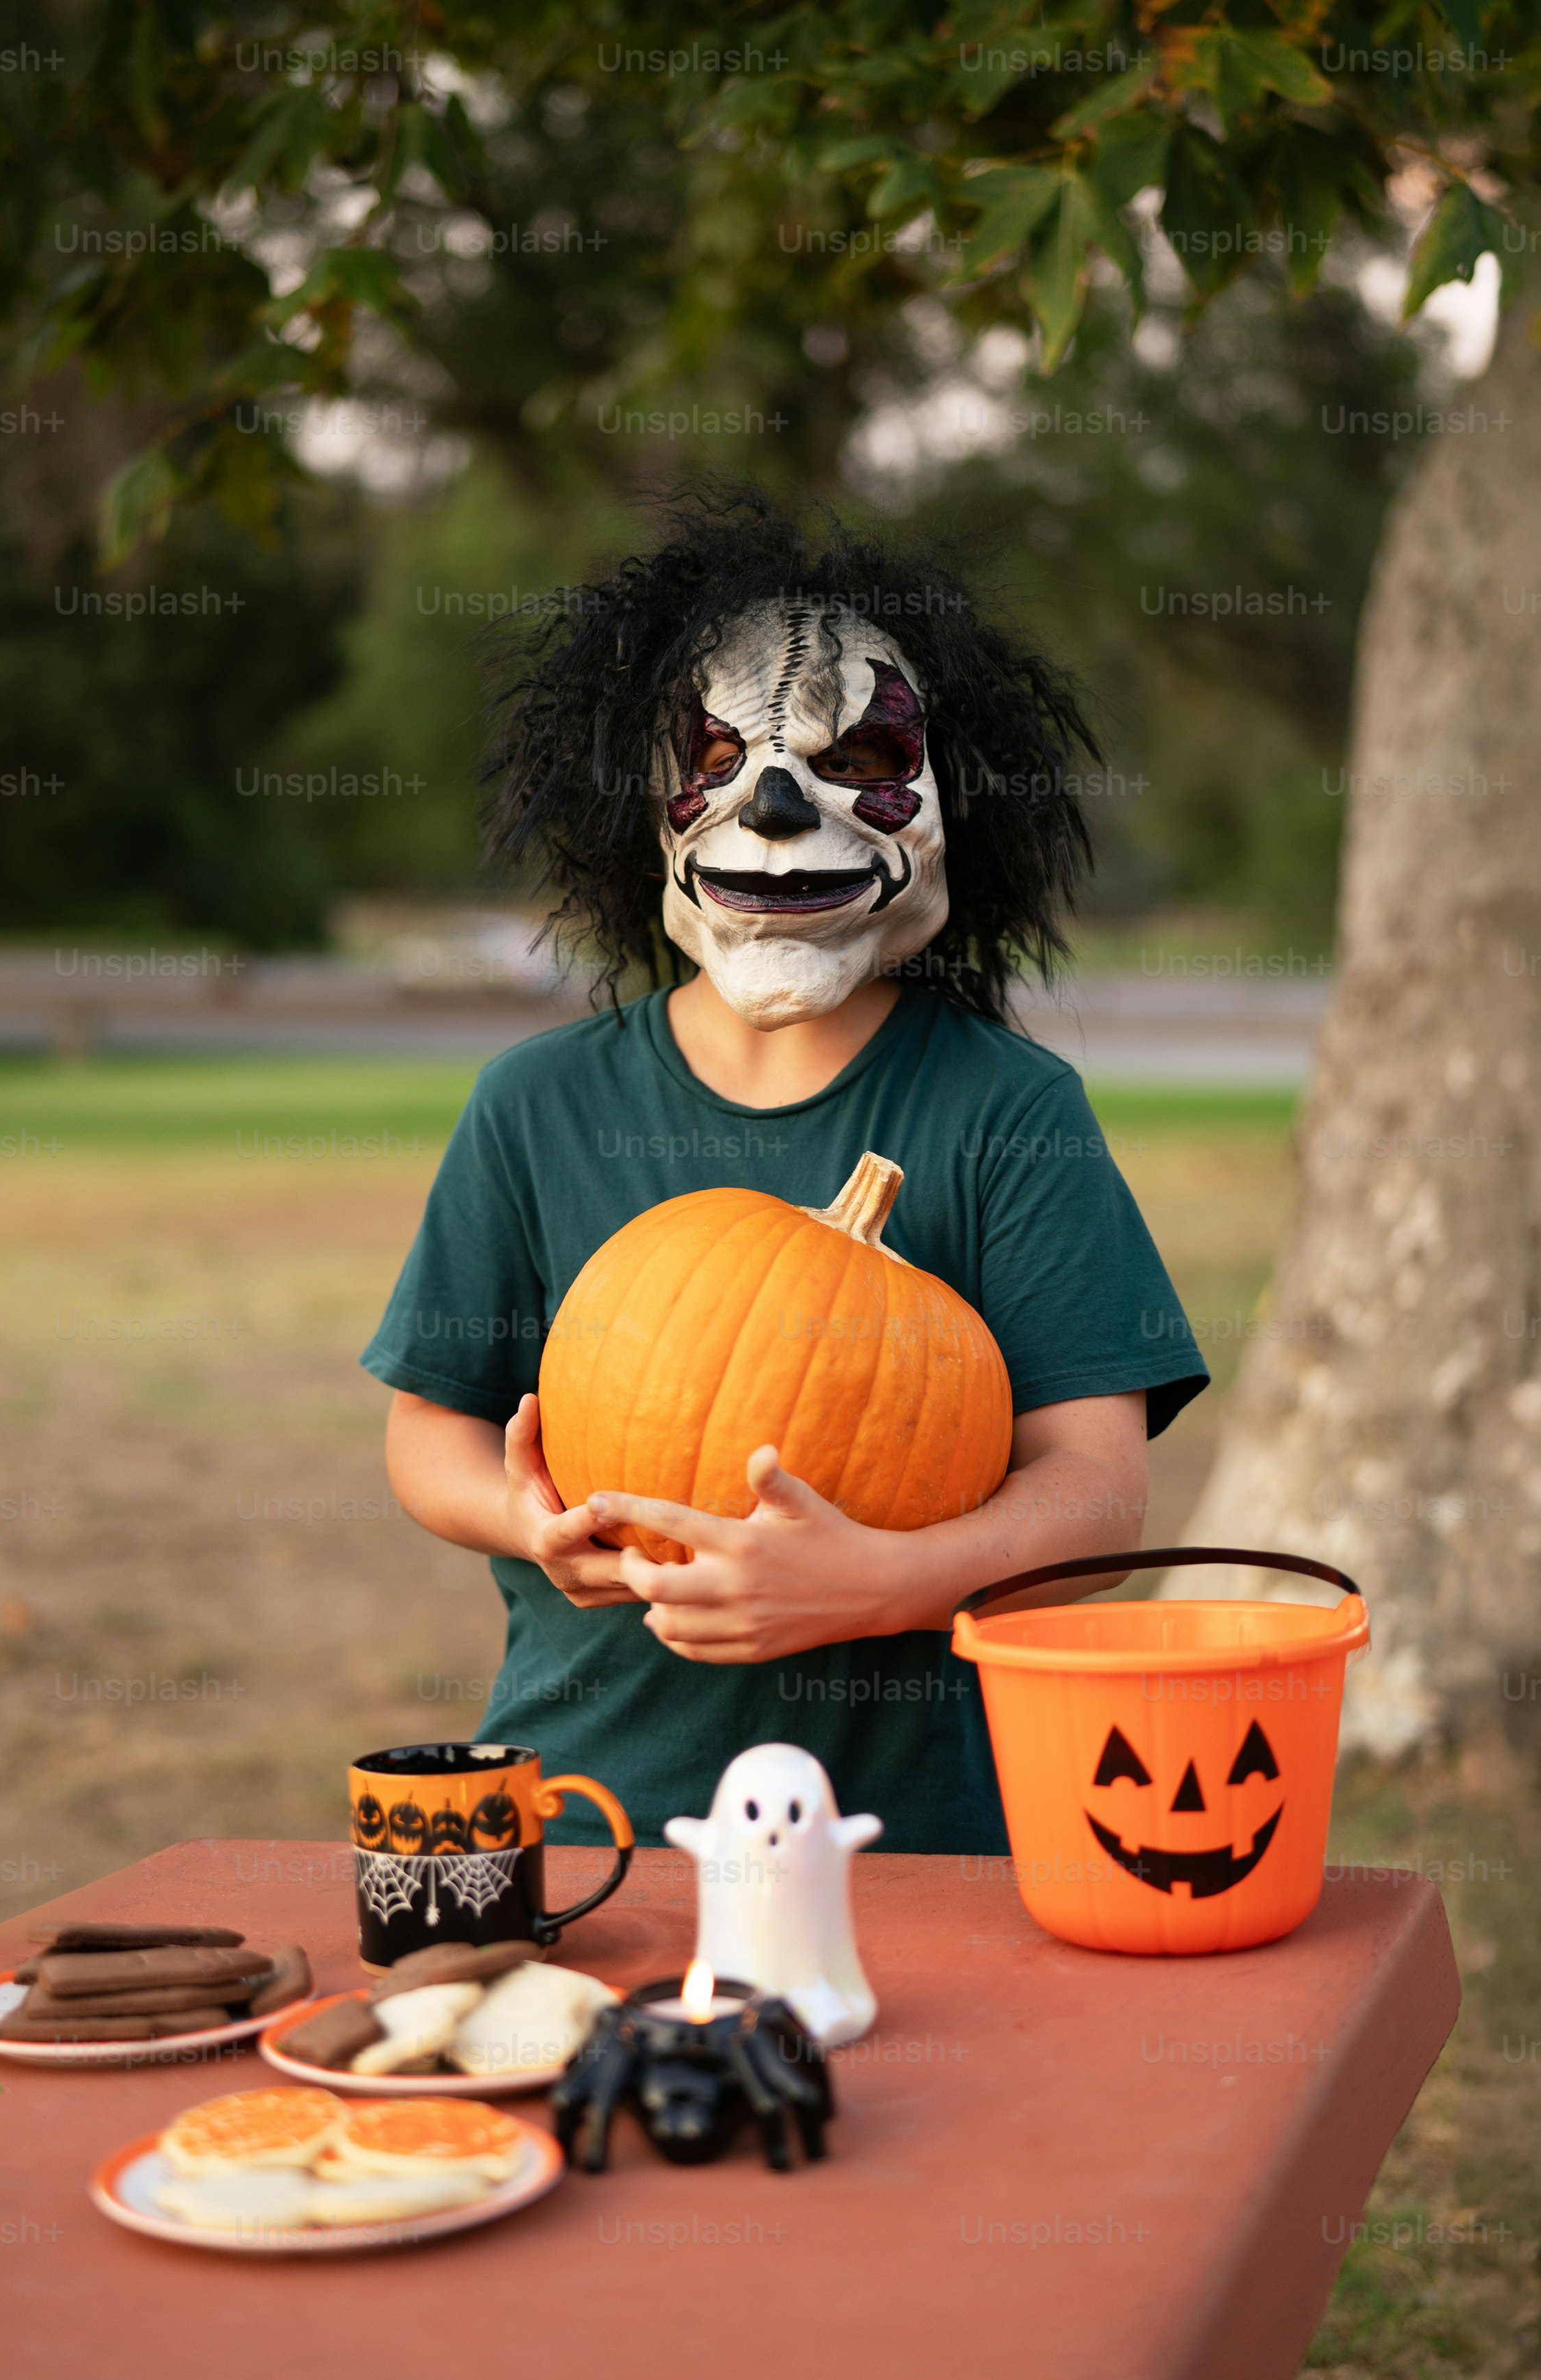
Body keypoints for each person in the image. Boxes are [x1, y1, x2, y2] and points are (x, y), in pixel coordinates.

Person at [365, 496, 1209, 1854]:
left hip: (916, 1848)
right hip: (590, 1824)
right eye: (712, 755)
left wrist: (880, 1583)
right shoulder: (536, 1103)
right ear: (636, 798)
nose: (769, 804)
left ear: (951, 799)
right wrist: (526, 1520)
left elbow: (1096, 1495)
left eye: (862, 754)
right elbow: (428, 1433)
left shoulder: (1007, 1112)